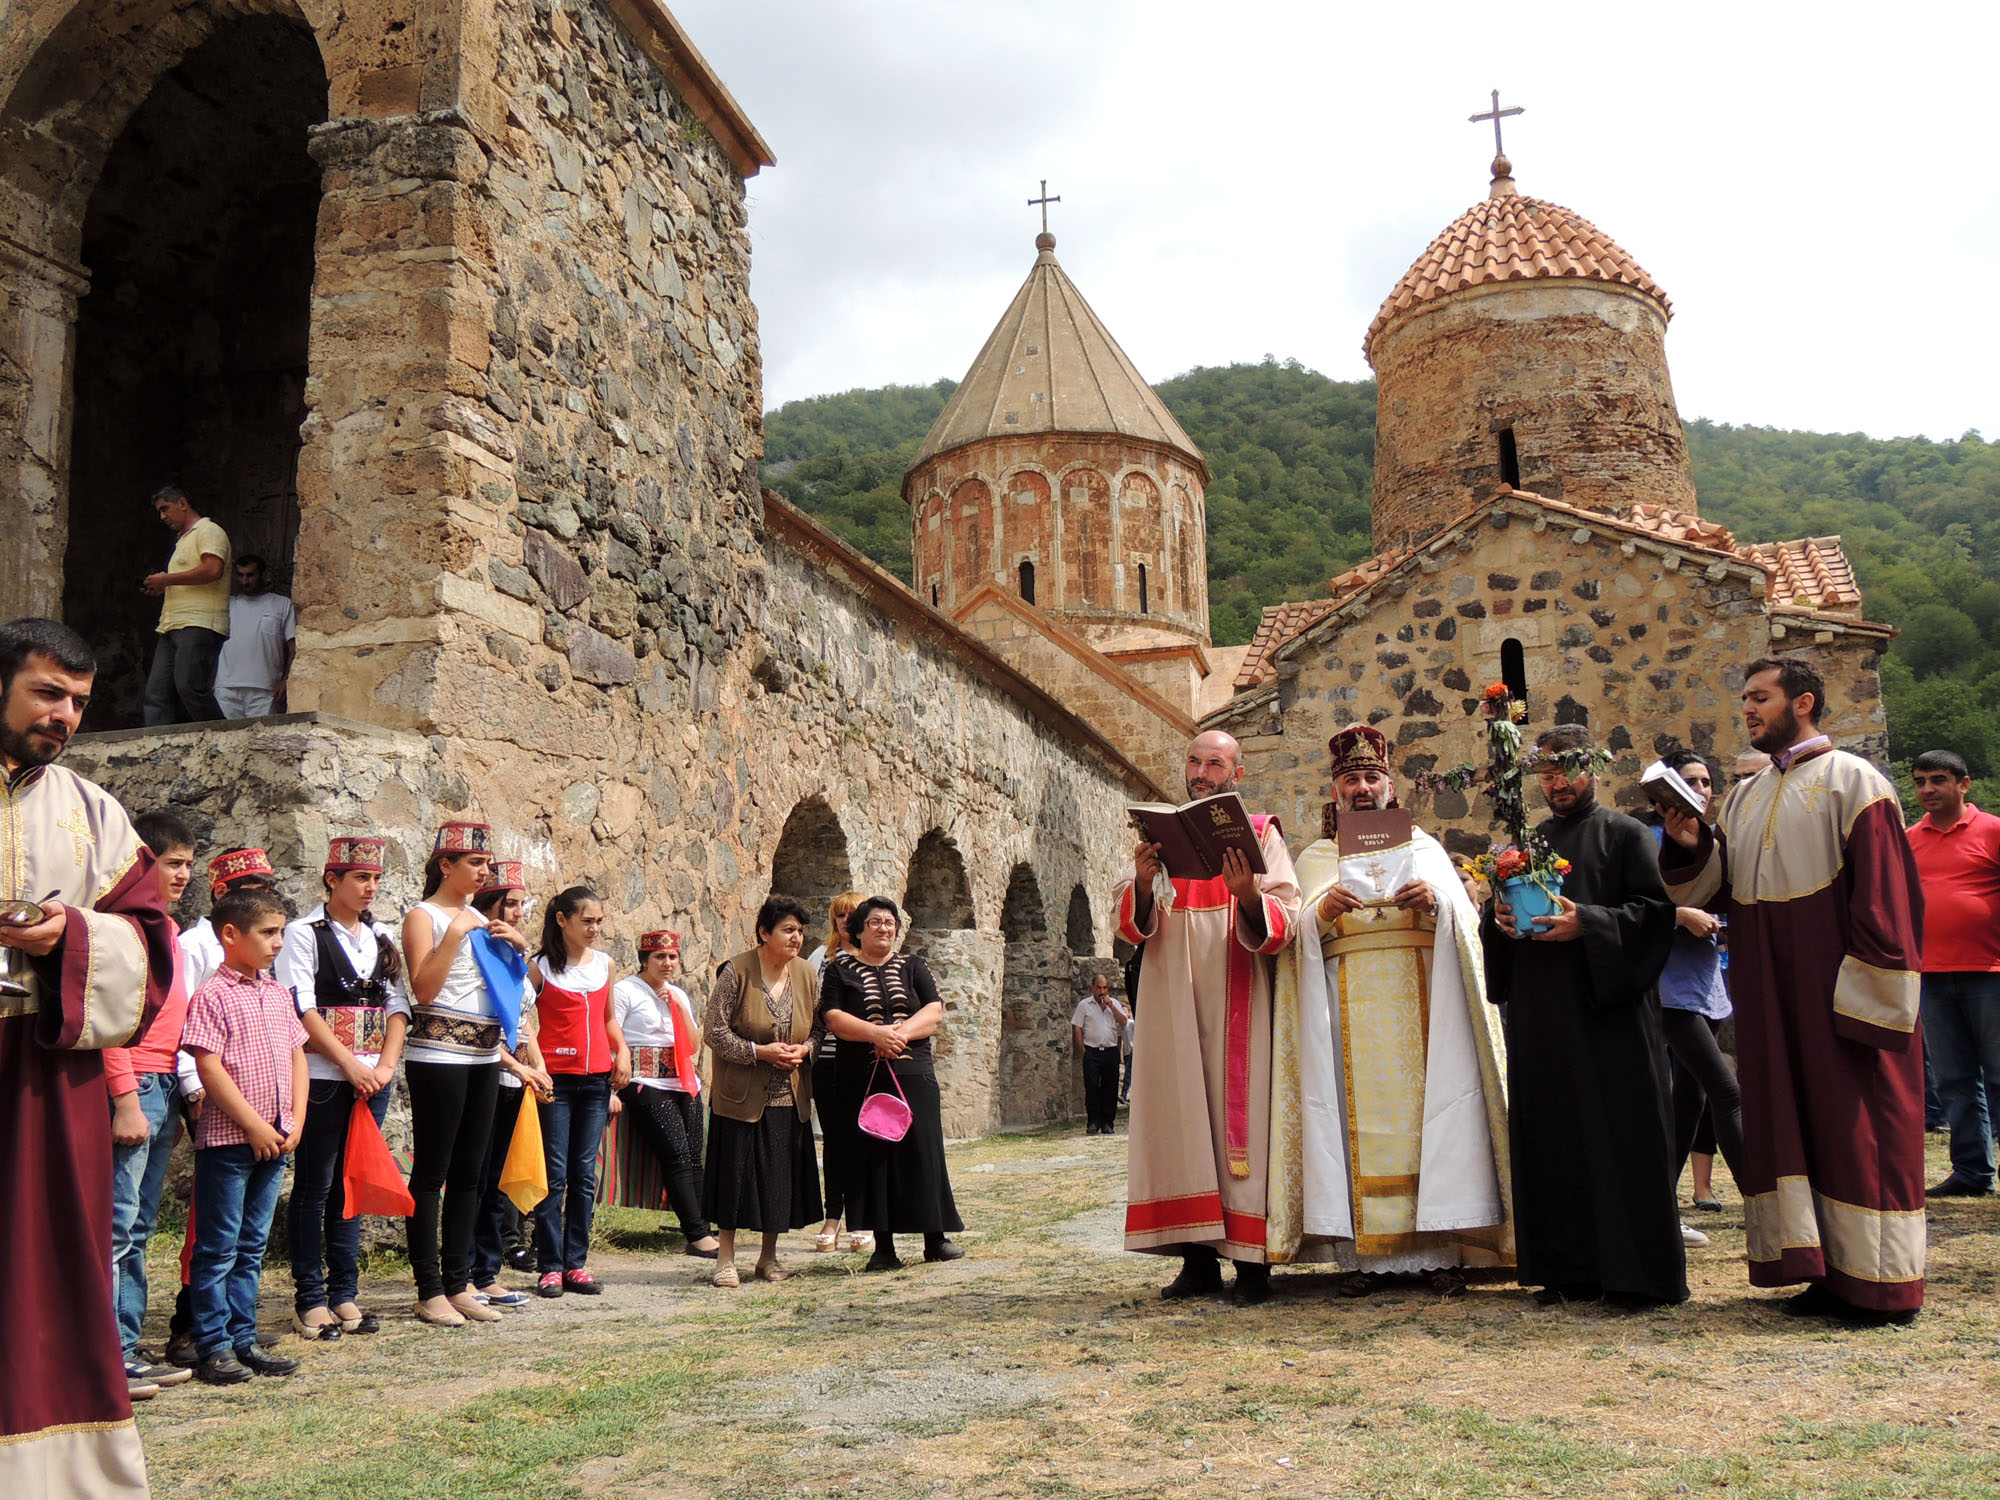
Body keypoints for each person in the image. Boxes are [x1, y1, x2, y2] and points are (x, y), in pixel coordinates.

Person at [1660, 658, 1926, 1326]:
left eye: (1760, 697)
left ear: (1802, 702)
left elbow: (1886, 898)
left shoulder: (1855, 781)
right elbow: (1714, 890)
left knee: (1854, 1129)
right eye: (1745, 698)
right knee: (1793, 1126)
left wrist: (1872, 999)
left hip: (1837, 991)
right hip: (1769, 992)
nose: (1748, 709)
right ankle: (1824, 1273)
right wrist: (1690, 845)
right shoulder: (1746, 797)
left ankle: (1879, 1285)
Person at [0, 618, 172, 1497]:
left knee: (46, 1269)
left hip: (43, 1070)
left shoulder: (95, 813)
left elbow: (152, 946)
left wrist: (69, 932)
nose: (63, 716)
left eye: (77, 702)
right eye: (47, 693)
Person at [1272, 725, 1512, 1296]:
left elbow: (1465, 922)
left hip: (1426, 1004)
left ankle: (1440, 1251)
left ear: (1390, 786)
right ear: (1335, 791)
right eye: (1351, 780)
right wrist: (1320, 912)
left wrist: (1438, 902)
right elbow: (1294, 936)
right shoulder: (1317, 857)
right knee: (1349, 1123)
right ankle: (1364, 1258)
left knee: (1437, 1121)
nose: (1362, 788)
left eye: (1371, 778)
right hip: (1343, 1011)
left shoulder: (1425, 849)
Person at [1482, 724, 1684, 1308]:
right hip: (1543, 1018)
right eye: (1546, 773)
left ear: (1591, 768)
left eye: (1566, 770)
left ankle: (1635, 1277)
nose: (1556, 783)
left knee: (1620, 1137)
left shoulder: (1626, 835)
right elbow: (1500, 921)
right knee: (1555, 1137)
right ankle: (1566, 1269)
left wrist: (1587, 923)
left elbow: (1655, 915)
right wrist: (1497, 919)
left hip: (1609, 1018)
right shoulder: (1529, 844)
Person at [1117, 729, 1302, 1305]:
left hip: (1235, 985)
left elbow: (1288, 915)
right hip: (1170, 986)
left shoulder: (1262, 834)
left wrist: (1247, 894)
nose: (1201, 773)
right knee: (1178, 1118)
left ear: (1236, 774)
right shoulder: (1159, 834)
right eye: (1194, 762)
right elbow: (1129, 925)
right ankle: (1196, 1260)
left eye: (1215, 764)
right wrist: (1142, 880)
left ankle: (1251, 1266)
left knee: (1238, 1121)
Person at [274, 836, 412, 1339]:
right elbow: (301, 1006)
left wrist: (385, 1066)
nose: (370, 887)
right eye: (360, 877)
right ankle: (310, 1297)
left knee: (351, 1184)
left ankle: (345, 1292)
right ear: (332, 879)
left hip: (373, 1078)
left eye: (375, 878)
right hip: (324, 1075)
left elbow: (397, 1005)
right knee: (315, 1185)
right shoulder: (304, 934)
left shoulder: (381, 935)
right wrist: (350, 1064)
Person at [402, 822, 532, 1326]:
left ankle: (458, 1284)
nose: (483, 872)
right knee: (432, 1174)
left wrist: (519, 949)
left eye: (486, 864)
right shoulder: (424, 916)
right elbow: (424, 989)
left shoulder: (481, 916)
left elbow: (517, 997)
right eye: (474, 863)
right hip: (438, 1055)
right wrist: (455, 935)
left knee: (469, 1176)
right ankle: (428, 1288)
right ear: (445, 865)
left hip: (483, 1056)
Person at [183, 886, 307, 1383]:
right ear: (231, 935)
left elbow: (297, 1055)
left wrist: (295, 1119)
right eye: (268, 932)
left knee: (252, 1245)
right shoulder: (212, 994)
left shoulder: (276, 992)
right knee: (218, 1247)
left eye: (281, 932)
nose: (279, 942)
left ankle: (242, 1338)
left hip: (276, 1138)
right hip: (229, 1143)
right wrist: (254, 1125)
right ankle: (212, 1344)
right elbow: (209, 1066)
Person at [106, 809, 204, 1399]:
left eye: (189, 864)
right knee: (118, 1224)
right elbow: (106, 1018)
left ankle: (126, 1343)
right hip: (136, 1082)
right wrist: (124, 1097)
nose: (183, 874)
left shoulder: (165, 926)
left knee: (140, 1224)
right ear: (141, 862)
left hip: (164, 1080)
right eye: (172, 863)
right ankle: (110, 1355)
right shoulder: (122, 926)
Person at [821, 896, 965, 1271]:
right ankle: (883, 1247)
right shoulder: (839, 970)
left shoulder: (914, 966)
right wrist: (875, 1034)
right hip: (862, 1077)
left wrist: (896, 1035)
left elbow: (933, 1012)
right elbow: (833, 1017)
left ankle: (935, 1238)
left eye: (889, 922)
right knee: (872, 1158)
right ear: (859, 929)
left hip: (913, 1074)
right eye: (874, 922)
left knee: (923, 1153)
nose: (883, 928)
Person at [1642, 750, 1746, 1239]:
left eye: (1706, 781)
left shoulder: (1714, 839)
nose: (1700, 790)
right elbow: (1633, 907)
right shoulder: (1647, 840)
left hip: (1707, 980)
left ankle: (1657, 1210)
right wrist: (1680, 916)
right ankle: (1765, 1207)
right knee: (1728, 1091)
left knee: (1691, 1099)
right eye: (1689, 782)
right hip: (1668, 985)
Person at [702, 895, 823, 1288]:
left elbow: (821, 1029)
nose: (796, 937)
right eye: (788, 930)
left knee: (777, 1179)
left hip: (789, 1096)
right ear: (764, 932)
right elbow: (714, 1031)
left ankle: (768, 1257)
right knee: (733, 1177)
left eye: (800, 931)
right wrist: (758, 1052)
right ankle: (725, 1259)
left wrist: (805, 1050)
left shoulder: (806, 974)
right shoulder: (736, 972)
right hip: (740, 1096)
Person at [1904, 749, 2000, 1197]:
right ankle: (1972, 1172)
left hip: (1990, 972)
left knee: (1999, 1076)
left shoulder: (1993, 831)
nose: (1928, 790)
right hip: (1931, 977)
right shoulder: (1908, 840)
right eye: (1920, 781)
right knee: (1953, 1080)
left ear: (1964, 784)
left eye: (1938, 780)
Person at [529, 885, 630, 1297]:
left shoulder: (605, 964)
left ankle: (576, 1263)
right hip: (555, 1079)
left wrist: (623, 1052)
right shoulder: (539, 967)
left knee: (584, 1174)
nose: (594, 929)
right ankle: (550, 1265)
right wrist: (536, 1065)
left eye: (599, 922)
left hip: (595, 1081)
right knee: (554, 1175)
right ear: (562, 920)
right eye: (587, 921)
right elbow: (521, 1019)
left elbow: (608, 1019)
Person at [468, 862, 553, 1298]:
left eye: (522, 904)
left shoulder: (513, 953)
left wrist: (538, 1065)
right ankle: (466, 1270)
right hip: (488, 1069)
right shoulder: (474, 947)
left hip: (517, 1078)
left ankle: (487, 1271)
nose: (520, 912)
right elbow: (477, 1026)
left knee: (499, 1179)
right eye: (512, 904)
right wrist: (517, 1066)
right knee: (477, 1176)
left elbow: (524, 1021)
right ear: (492, 904)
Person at [612, 930, 720, 1258]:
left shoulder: (677, 993)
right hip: (644, 1081)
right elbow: (611, 1036)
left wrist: (679, 1008)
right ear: (644, 959)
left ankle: (703, 1224)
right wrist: (610, 1087)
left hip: (683, 1080)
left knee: (694, 1155)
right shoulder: (625, 991)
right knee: (677, 1155)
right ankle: (696, 1234)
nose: (668, 963)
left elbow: (693, 1043)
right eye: (660, 957)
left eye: (673, 956)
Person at [806, 890, 871, 1254]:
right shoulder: (821, 958)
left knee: (861, 1137)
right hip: (827, 1059)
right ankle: (832, 1216)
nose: (846, 921)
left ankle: (861, 1217)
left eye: (853, 914)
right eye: (840, 915)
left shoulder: (873, 958)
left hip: (862, 1058)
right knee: (833, 1140)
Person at [141, 483, 232, 726]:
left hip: (199, 623)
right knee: (156, 693)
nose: (163, 516)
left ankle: (222, 735)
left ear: (182, 504)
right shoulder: (182, 539)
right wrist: (162, 586)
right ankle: (157, 743)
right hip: (171, 624)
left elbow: (212, 570)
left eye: (165, 509)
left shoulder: (209, 531)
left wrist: (167, 579)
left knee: (190, 687)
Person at [212, 554, 297, 719]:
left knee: (264, 734)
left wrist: (287, 680)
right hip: (226, 688)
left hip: (266, 689)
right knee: (226, 735)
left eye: (250, 575)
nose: (245, 581)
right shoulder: (226, 605)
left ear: (263, 575)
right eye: (240, 575)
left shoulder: (282, 604)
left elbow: (293, 647)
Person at [1072, 972, 1129, 1135]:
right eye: (1099, 988)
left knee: (1110, 1088)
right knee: (1092, 1087)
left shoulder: (1114, 1003)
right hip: (1092, 1051)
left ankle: (1108, 1123)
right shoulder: (1084, 1005)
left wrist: (1111, 1006)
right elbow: (1077, 1028)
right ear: (1093, 988)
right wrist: (1083, 1050)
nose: (1102, 991)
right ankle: (1093, 1122)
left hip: (1110, 1051)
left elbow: (1124, 1022)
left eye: (1105, 988)